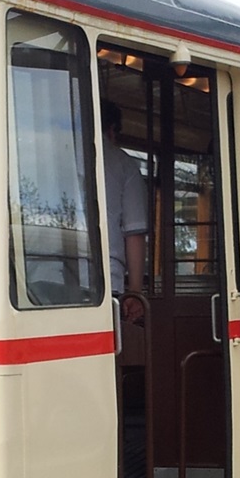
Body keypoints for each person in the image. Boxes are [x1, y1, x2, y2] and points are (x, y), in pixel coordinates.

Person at [101, 99, 147, 323]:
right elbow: (134, 232)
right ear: (112, 130)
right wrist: (135, 293)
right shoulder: (124, 164)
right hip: (105, 282)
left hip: (37, 275)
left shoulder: (50, 154)